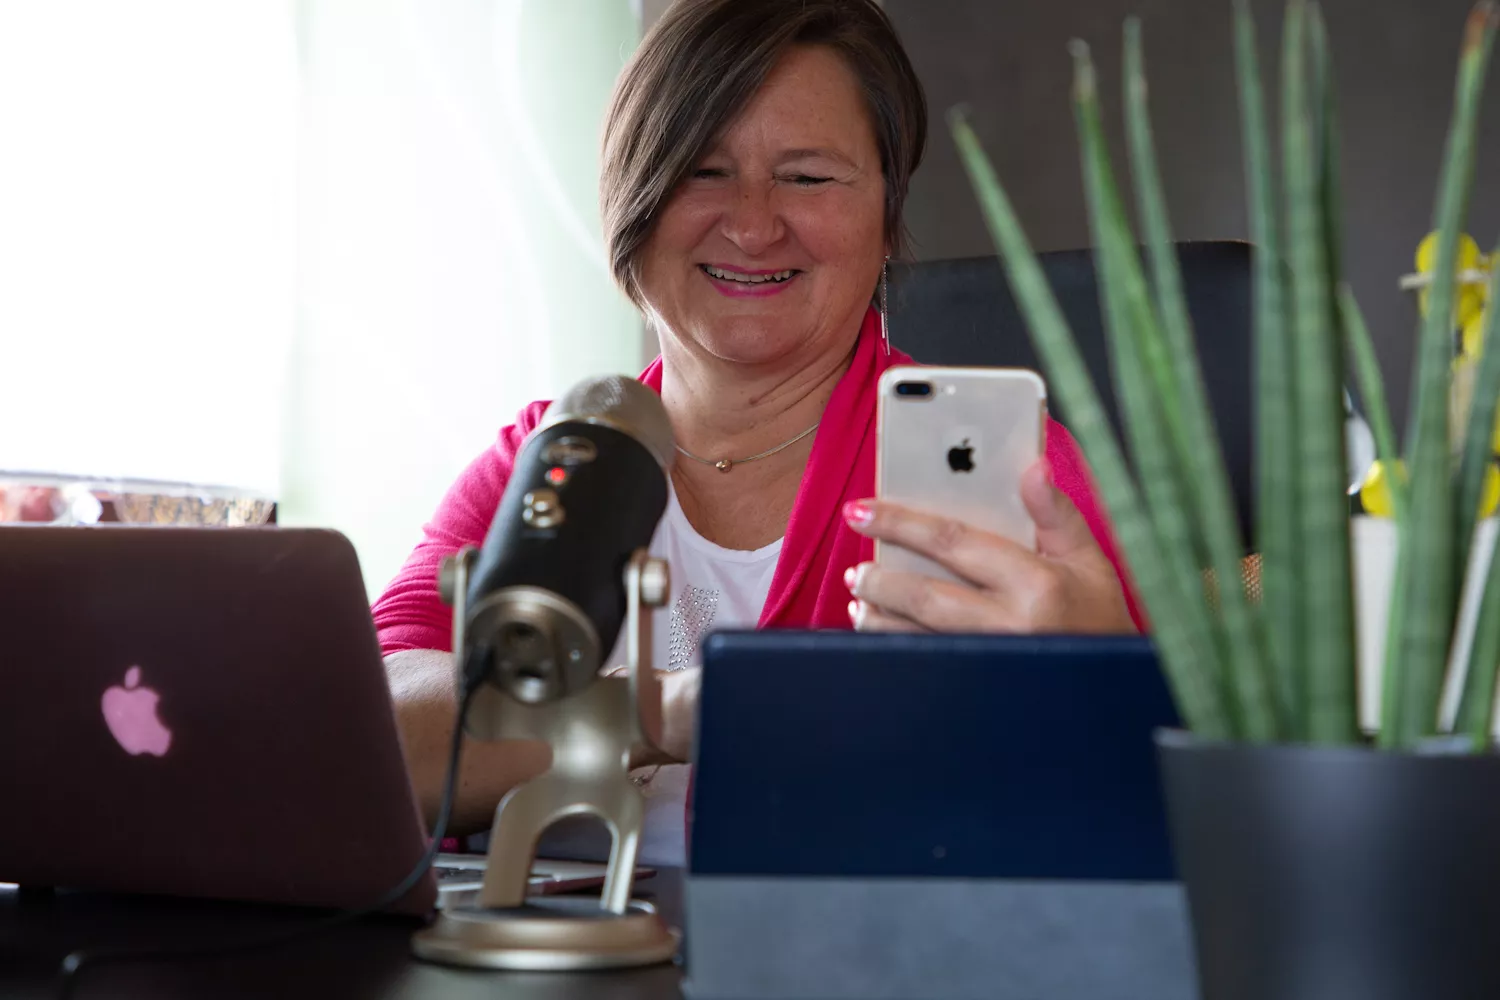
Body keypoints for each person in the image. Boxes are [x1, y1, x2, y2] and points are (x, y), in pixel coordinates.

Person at [372, 0, 1139, 868]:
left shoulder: (1011, 473)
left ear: (887, 216)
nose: (752, 224)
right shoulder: (548, 457)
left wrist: (1104, 680)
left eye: (808, 178)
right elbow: (369, 731)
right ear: (634, 200)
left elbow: (1171, 807)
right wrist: (663, 711)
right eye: (703, 171)